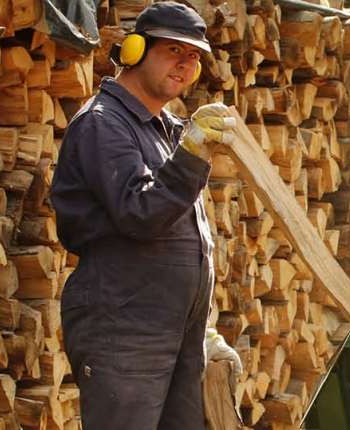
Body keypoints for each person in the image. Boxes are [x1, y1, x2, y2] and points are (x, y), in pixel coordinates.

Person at [49, 3, 241, 428]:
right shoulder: (103, 123)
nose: (185, 64)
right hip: (125, 331)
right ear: (135, 50)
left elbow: (178, 236)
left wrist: (196, 320)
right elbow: (140, 212)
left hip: (174, 333)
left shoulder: (167, 129)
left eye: (193, 56)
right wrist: (191, 154)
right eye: (174, 50)